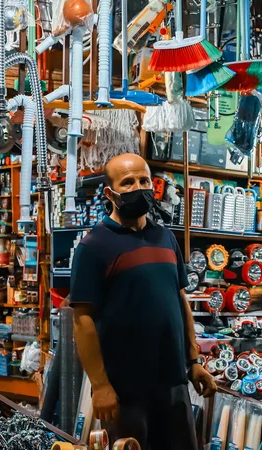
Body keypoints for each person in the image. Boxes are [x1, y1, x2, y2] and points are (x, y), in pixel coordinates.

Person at [70, 153, 216, 449]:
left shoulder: (165, 237)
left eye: (144, 180)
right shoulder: (93, 247)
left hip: (173, 384)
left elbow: (179, 300)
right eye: (128, 182)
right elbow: (82, 320)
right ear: (110, 194)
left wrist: (193, 362)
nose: (139, 187)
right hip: (125, 391)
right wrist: (100, 386)